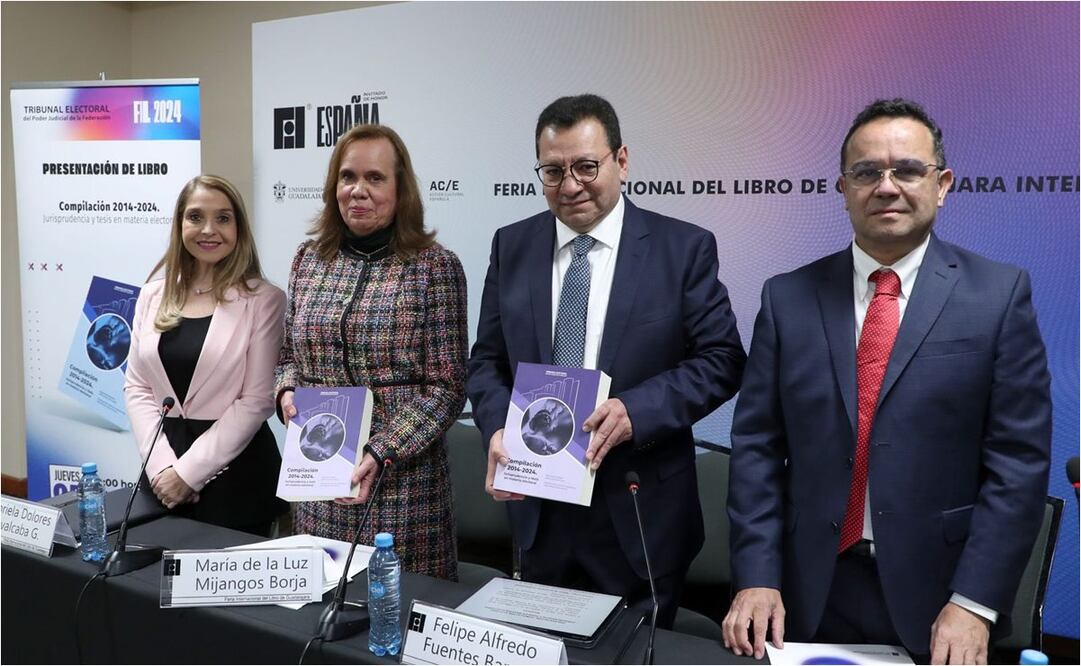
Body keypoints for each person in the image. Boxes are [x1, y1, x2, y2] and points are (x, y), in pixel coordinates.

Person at [724, 99, 1052, 664]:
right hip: (805, 591)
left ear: (942, 183)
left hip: (941, 600)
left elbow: (1017, 466)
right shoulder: (787, 298)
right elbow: (756, 448)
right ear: (844, 187)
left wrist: (974, 603)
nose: (886, 186)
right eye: (867, 172)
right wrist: (756, 576)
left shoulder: (998, 296)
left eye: (906, 170)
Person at [467, 94, 746, 627]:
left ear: (622, 160)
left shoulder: (682, 248)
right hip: (538, 508)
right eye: (552, 171)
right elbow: (486, 362)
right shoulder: (513, 245)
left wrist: (636, 410)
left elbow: (723, 358)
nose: (570, 185)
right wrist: (499, 427)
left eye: (586, 167)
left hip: (639, 514)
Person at [275, 124, 467, 580]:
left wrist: (380, 452)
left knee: (391, 627)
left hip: (401, 491)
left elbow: (448, 387)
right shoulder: (308, 260)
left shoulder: (434, 267)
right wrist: (285, 393)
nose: (358, 190)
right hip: (319, 483)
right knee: (318, 624)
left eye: (375, 178)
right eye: (347, 177)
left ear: (401, 190)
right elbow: (287, 357)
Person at [125, 175, 288, 536]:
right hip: (162, 473)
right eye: (196, 217)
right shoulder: (152, 295)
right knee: (150, 590)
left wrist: (188, 474)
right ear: (180, 224)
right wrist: (163, 470)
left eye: (223, 218)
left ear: (239, 228)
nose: (208, 229)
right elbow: (137, 388)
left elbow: (257, 400)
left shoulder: (265, 300)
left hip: (238, 478)